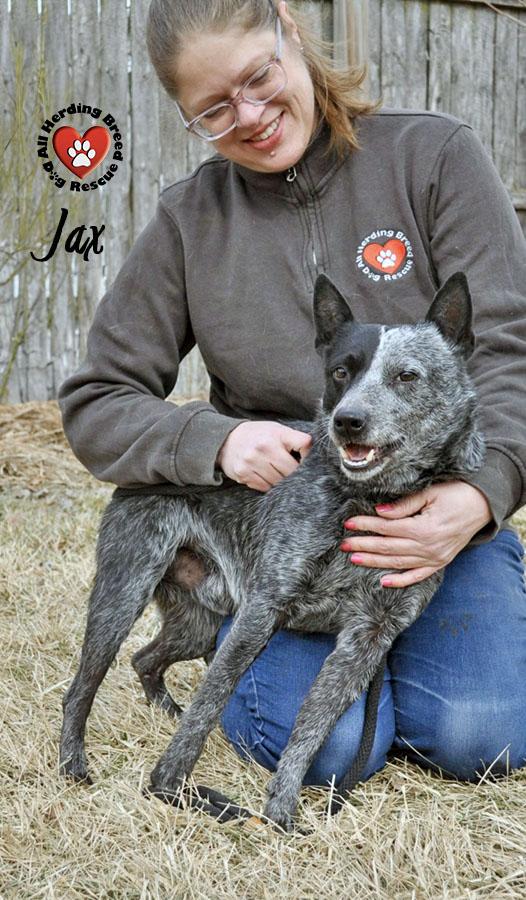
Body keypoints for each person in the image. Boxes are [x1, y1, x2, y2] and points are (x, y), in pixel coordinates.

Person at [59, 0, 526, 787]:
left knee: (483, 736)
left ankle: (401, 668)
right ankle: (288, 654)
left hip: (433, 521)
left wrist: (479, 497)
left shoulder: (435, 156)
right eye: (212, 108)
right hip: (292, 522)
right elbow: (97, 398)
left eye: (257, 77)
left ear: (290, 31)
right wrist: (215, 441)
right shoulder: (189, 219)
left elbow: (513, 354)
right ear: (184, 114)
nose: (249, 115)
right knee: (329, 755)